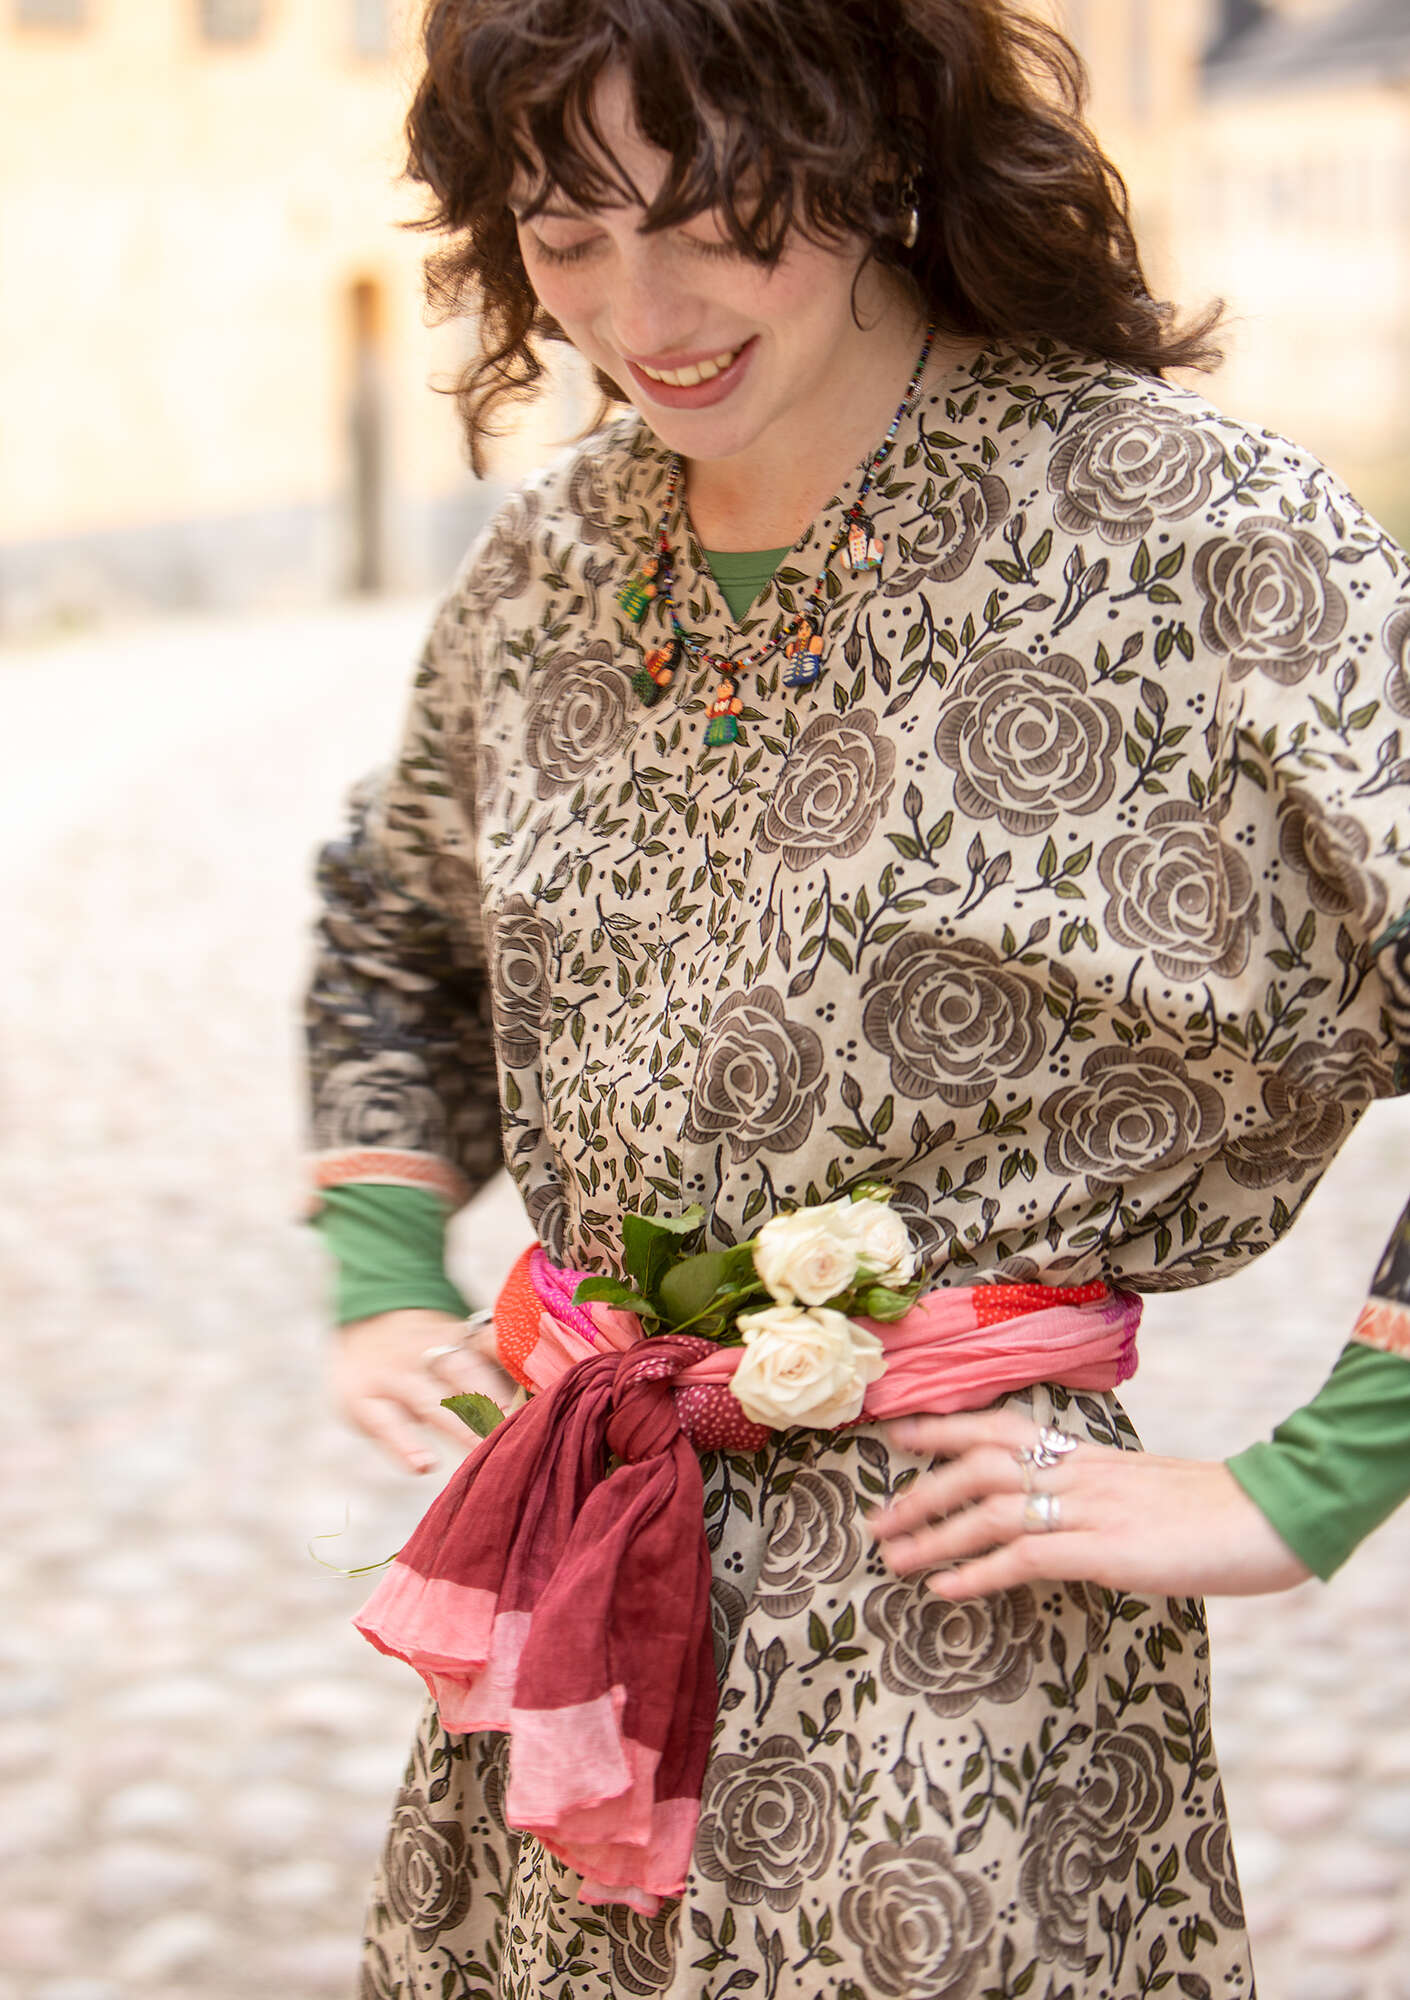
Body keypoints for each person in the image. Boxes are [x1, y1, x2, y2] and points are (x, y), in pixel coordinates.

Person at [305, 1, 1410, 1993]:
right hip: (569, 1567)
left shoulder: (1194, 538)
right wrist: (384, 1264)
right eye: (566, 236)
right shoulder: (553, 561)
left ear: (873, 145)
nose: (644, 313)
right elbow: (399, 918)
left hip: (951, 1622)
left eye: (715, 217)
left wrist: (1306, 1484)